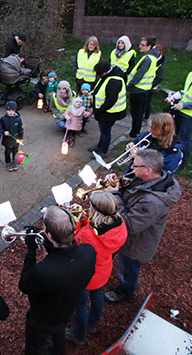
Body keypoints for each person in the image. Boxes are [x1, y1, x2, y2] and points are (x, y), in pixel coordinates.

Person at [104, 149, 181, 303]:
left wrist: (114, 195)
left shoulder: (152, 203)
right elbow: (134, 194)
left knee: (128, 269)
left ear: (148, 170)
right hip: (130, 237)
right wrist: (119, 186)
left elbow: (128, 224)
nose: (132, 167)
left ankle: (125, 291)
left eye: (135, 165)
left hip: (135, 243)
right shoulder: (150, 179)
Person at [19, 206, 96, 355]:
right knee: (59, 333)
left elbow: (24, 285)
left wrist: (31, 251)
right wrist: (49, 243)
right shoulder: (89, 251)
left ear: (50, 235)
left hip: (43, 317)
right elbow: (66, 256)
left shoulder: (43, 271)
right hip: (67, 309)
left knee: (35, 347)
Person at [67, 192, 127, 346]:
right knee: (97, 297)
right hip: (103, 270)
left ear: (96, 210)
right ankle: (92, 324)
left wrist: (77, 222)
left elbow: (74, 242)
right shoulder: (120, 222)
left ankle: (78, 335)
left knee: (80, 305)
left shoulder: (88, 234)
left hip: (86, 275)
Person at [88, 61, 127, 157]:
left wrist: (98, 110)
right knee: (103, 130)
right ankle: (100, 146)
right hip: (105, 111)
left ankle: (103, 151)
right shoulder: (108, 77)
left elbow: (110, 101)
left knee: (105, 131)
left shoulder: (114, 81)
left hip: (110, 112)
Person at [127, 36, 159, 138]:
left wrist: (130, 84)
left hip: (138, 90)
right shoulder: (152, 57)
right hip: (144, 89)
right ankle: (136, 130)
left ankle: (134, 132)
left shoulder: (147, 59)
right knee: (139, 112)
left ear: (150, 46)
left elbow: (139, 74)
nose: (140, 46)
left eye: (143, 45)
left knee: (136, 113)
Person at [144, 44, 166, 122]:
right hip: (143, 84)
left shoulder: (160, 64)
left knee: (147, 102)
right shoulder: (150, 58)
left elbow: (159, 77)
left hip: (150, 86)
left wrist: (150, 84)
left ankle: (146, 117)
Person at [1, 101, 24, 172]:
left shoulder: (18, 119)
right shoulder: (3, 119)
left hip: (15, 139)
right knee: (7, 152)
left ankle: (14, 162)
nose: (11, 112)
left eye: (13, 110)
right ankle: (8, 163)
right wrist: (4, 131)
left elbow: (20, 128)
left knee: (15, 151)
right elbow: (0, 128)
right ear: (6, 110)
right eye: (9, 110)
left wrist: (21, 137)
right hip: (7, 140)